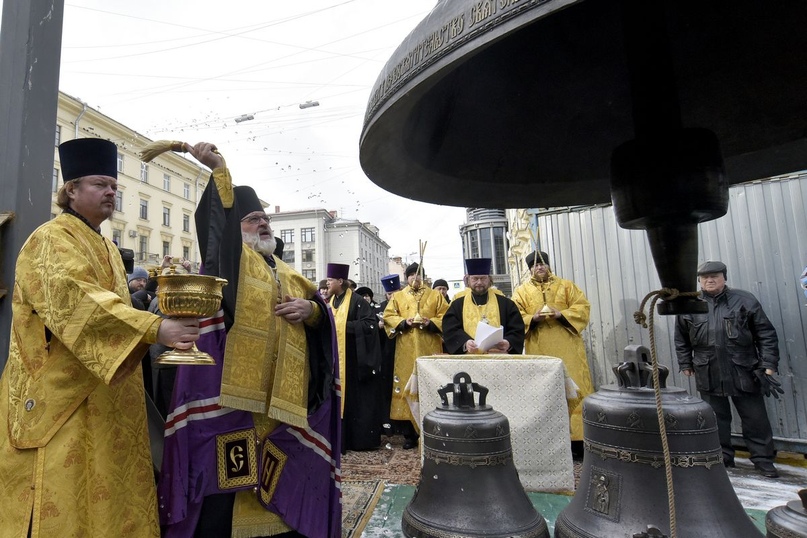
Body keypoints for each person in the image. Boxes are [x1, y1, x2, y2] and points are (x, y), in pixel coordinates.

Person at [0, 138, 200, 537]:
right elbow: (79, 303)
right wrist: (156, 326)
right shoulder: (50, 238)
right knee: (65, 499)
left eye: (114, 185)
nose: (111, 191)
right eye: (99, 184)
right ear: (70, 188)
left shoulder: (106, 246)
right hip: (60, 399)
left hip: (108, 398)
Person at [157, 142, 340, 537]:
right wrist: (220, 173)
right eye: (252, 219)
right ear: (234, 226)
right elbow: (216, 238)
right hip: (229, 401)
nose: (263, 225)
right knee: (227, 490)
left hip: (282, 406)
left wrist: (311, 313)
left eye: (264, 219)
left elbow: (320, 315)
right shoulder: (228, 267)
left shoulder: (292, 275)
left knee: (280, 490)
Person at [675, 260, 783, 478]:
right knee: (715, 417)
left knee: (755, 418)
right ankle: (722, 457)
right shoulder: (690, 304)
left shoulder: (744, 300)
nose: (710, 280)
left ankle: (763, 460)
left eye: (715, 275)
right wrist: (685, 362)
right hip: (708, 370)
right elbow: (681, 338)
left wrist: (768, 364)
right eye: (705, 277)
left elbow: (765, 333)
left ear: (724, 277)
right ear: (699, 280)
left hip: (744, 369)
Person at [512, 250, 593, 445]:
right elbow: (515, 317)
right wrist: (533, 318)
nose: (539, 267)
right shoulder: (521, 292)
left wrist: (560, 314)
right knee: (545, 391)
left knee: (576, 389)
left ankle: (579, 439)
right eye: (535, 265)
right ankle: (550, 440)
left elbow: (582, 308)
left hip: (568, 346)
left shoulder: (566, 286)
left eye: (542, 264)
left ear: (548, 266)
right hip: (539, 347)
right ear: (530, 269)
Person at [383, 263, 448, 449]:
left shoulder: (435, 295)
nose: (414, 278)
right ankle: (409, 435)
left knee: (429, 386)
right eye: (411, 275)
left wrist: (430, 323)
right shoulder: (398, 296)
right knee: (405, 387)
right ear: (407, 278)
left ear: (423, 277)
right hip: (405, 350)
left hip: (430, 347)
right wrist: (404, 322)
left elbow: (446, 316)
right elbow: (389, 316)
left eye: (418, 275)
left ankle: (432, 431)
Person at [326, 264, 383, 452]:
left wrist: (343, 326)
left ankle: (357, 441)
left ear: (340, 281)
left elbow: (369, 325)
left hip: (354, 361)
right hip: (335, 361)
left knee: (355, 402)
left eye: (330, 280)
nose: (327, 283)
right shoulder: (330, 301)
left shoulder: (358, 301)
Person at [442, 258, 525, 354]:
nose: (479, 282)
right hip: (468, 359)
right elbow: (450, 329)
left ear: (489, 280)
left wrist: (508, 342)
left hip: (498, 358)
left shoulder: (505, 303)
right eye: (475, 279)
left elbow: (517, 328)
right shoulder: (457, 305)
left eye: (483, 278)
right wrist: (465, 343)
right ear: (468, 280)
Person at [378, 274, 401, 436]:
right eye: (389, 294)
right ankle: (389, 423)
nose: (392, 297)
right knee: (387, 389)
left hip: (403, 351)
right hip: (386, 354)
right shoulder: (380, 309)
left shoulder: (407, 307)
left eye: (395, 293)